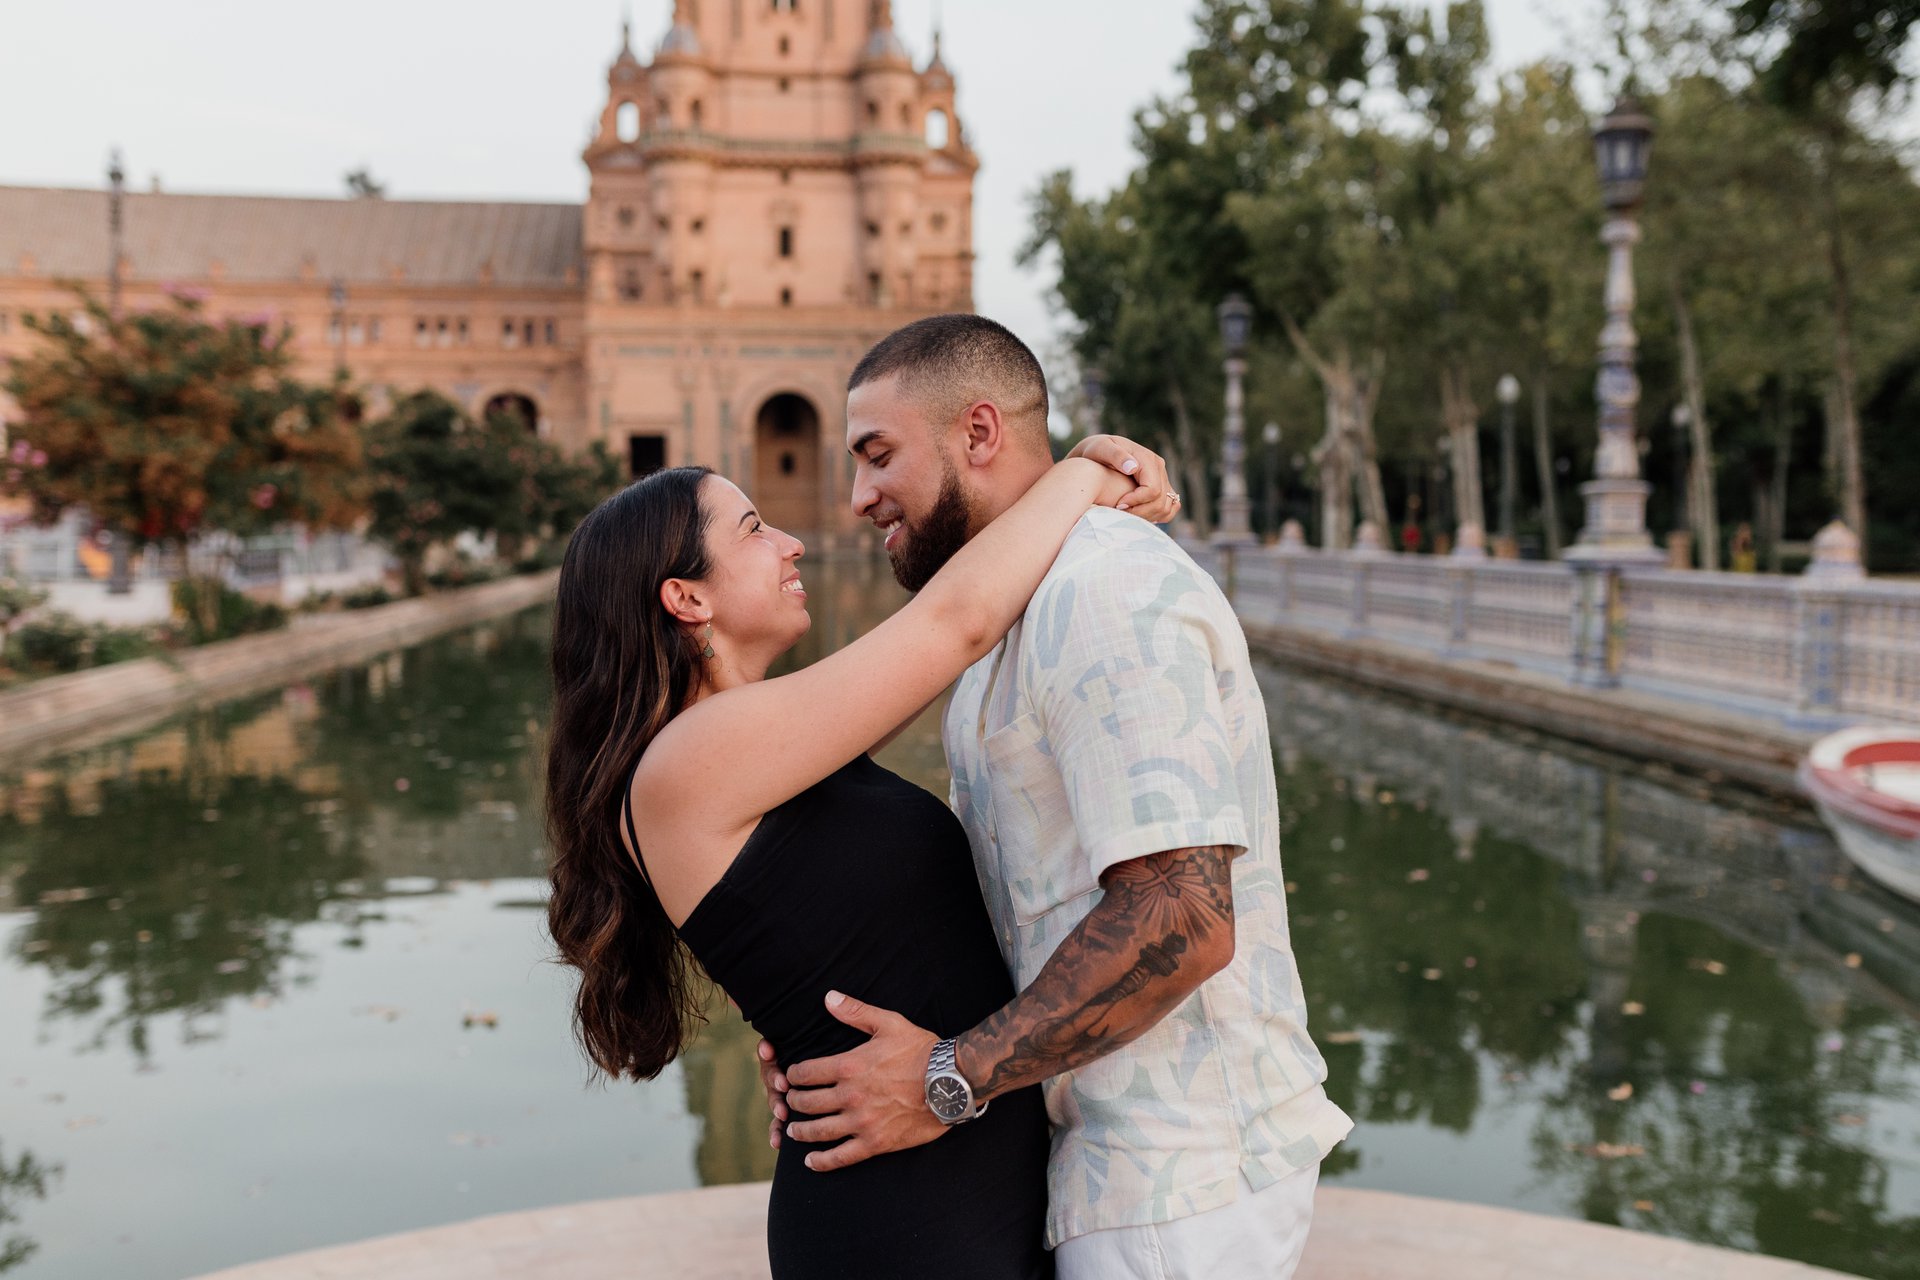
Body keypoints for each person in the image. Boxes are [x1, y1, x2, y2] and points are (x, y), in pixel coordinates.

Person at [759, 314, 1353, 1279]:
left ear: (978, 432)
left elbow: (1182, 916)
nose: (859, 496)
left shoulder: (1101, 590)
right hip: (1102, 1163)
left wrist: (945, 1078)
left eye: (878, 455)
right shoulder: (1016, 614)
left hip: (1178, 1173)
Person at [544, 431, 1177, 1277]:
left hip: (941, 1187)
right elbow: (955, 623)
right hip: (900, 1219)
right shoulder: (690, 761)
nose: (791, 543)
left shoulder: (761, 745)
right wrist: (1085, 472)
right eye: (753, 529)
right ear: (686, 598)